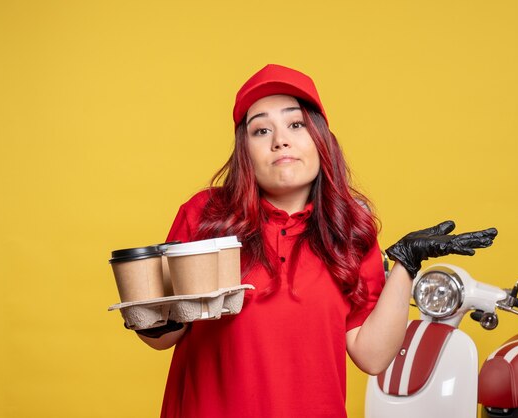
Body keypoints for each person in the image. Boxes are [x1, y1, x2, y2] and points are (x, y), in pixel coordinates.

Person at [135, 64, 497, 417]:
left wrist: (405, 264)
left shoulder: (349, 231)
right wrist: (156, 320)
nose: (281, 141)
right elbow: (164, 337)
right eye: (261, 131)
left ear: (320, 140)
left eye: (296, 124)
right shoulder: (205, 215)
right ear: (245, 151)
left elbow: (372, 356)